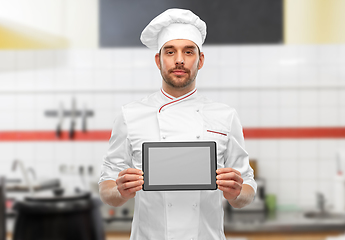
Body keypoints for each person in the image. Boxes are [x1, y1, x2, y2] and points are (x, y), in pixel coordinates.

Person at [99, 8, 257, 240]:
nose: (179, 60)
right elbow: (106, 187)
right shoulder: (130, 115)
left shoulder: (225, 116)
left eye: (189, 51)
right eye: (170, 52)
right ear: (158, 60)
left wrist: (236, 193)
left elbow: (247, 190)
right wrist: (120, 191)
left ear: (200, 60)